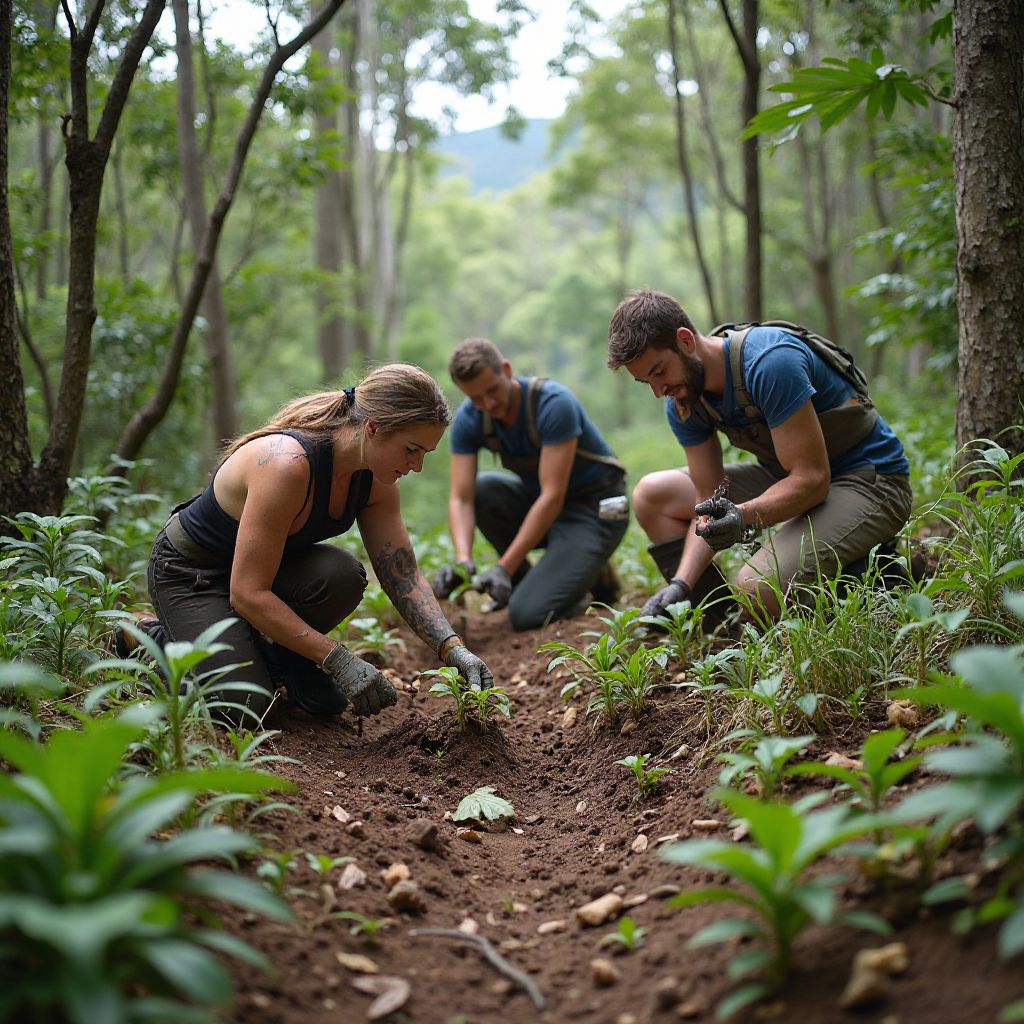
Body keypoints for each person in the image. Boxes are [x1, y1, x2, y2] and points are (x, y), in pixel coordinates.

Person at [129, 363, 493, 726]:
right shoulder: (287, 465)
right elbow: (247, 593)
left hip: (261, 575)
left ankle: (275, 657)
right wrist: (337, 659)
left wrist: (453, 648)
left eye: (425, 454)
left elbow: (404, 577)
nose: (416, 466)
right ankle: (151, 639)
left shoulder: (376, 483)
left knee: (342, 575)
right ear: (373, 428)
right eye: (411, 450)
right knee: (244, 708)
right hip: (193, 575)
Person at [606, 290, 912, 622]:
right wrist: (681, 584)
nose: (658, 390)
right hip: (789, 476)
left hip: (867, 480)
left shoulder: (769, 362)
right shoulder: (684, 399)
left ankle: (881, 573)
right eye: (645, 382)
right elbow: (708, 498)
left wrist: (743, 515)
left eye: (659, 371)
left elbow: (812, 481)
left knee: (758, 585)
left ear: (685, 341)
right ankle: (718, 622)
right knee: (653, 496)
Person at [431, 338, 629, 631]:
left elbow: (552, 495)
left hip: (597, 511)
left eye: (492, 391)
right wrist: (463, 562)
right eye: (475, 398)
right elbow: (461, 498)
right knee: (484, 490)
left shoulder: (553, 403)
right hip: (548, 509)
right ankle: (529, 583)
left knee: (527, 615)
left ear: (507, 371)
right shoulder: (470, 420)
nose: (488, 404)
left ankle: (589, 570)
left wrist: (502, 567)